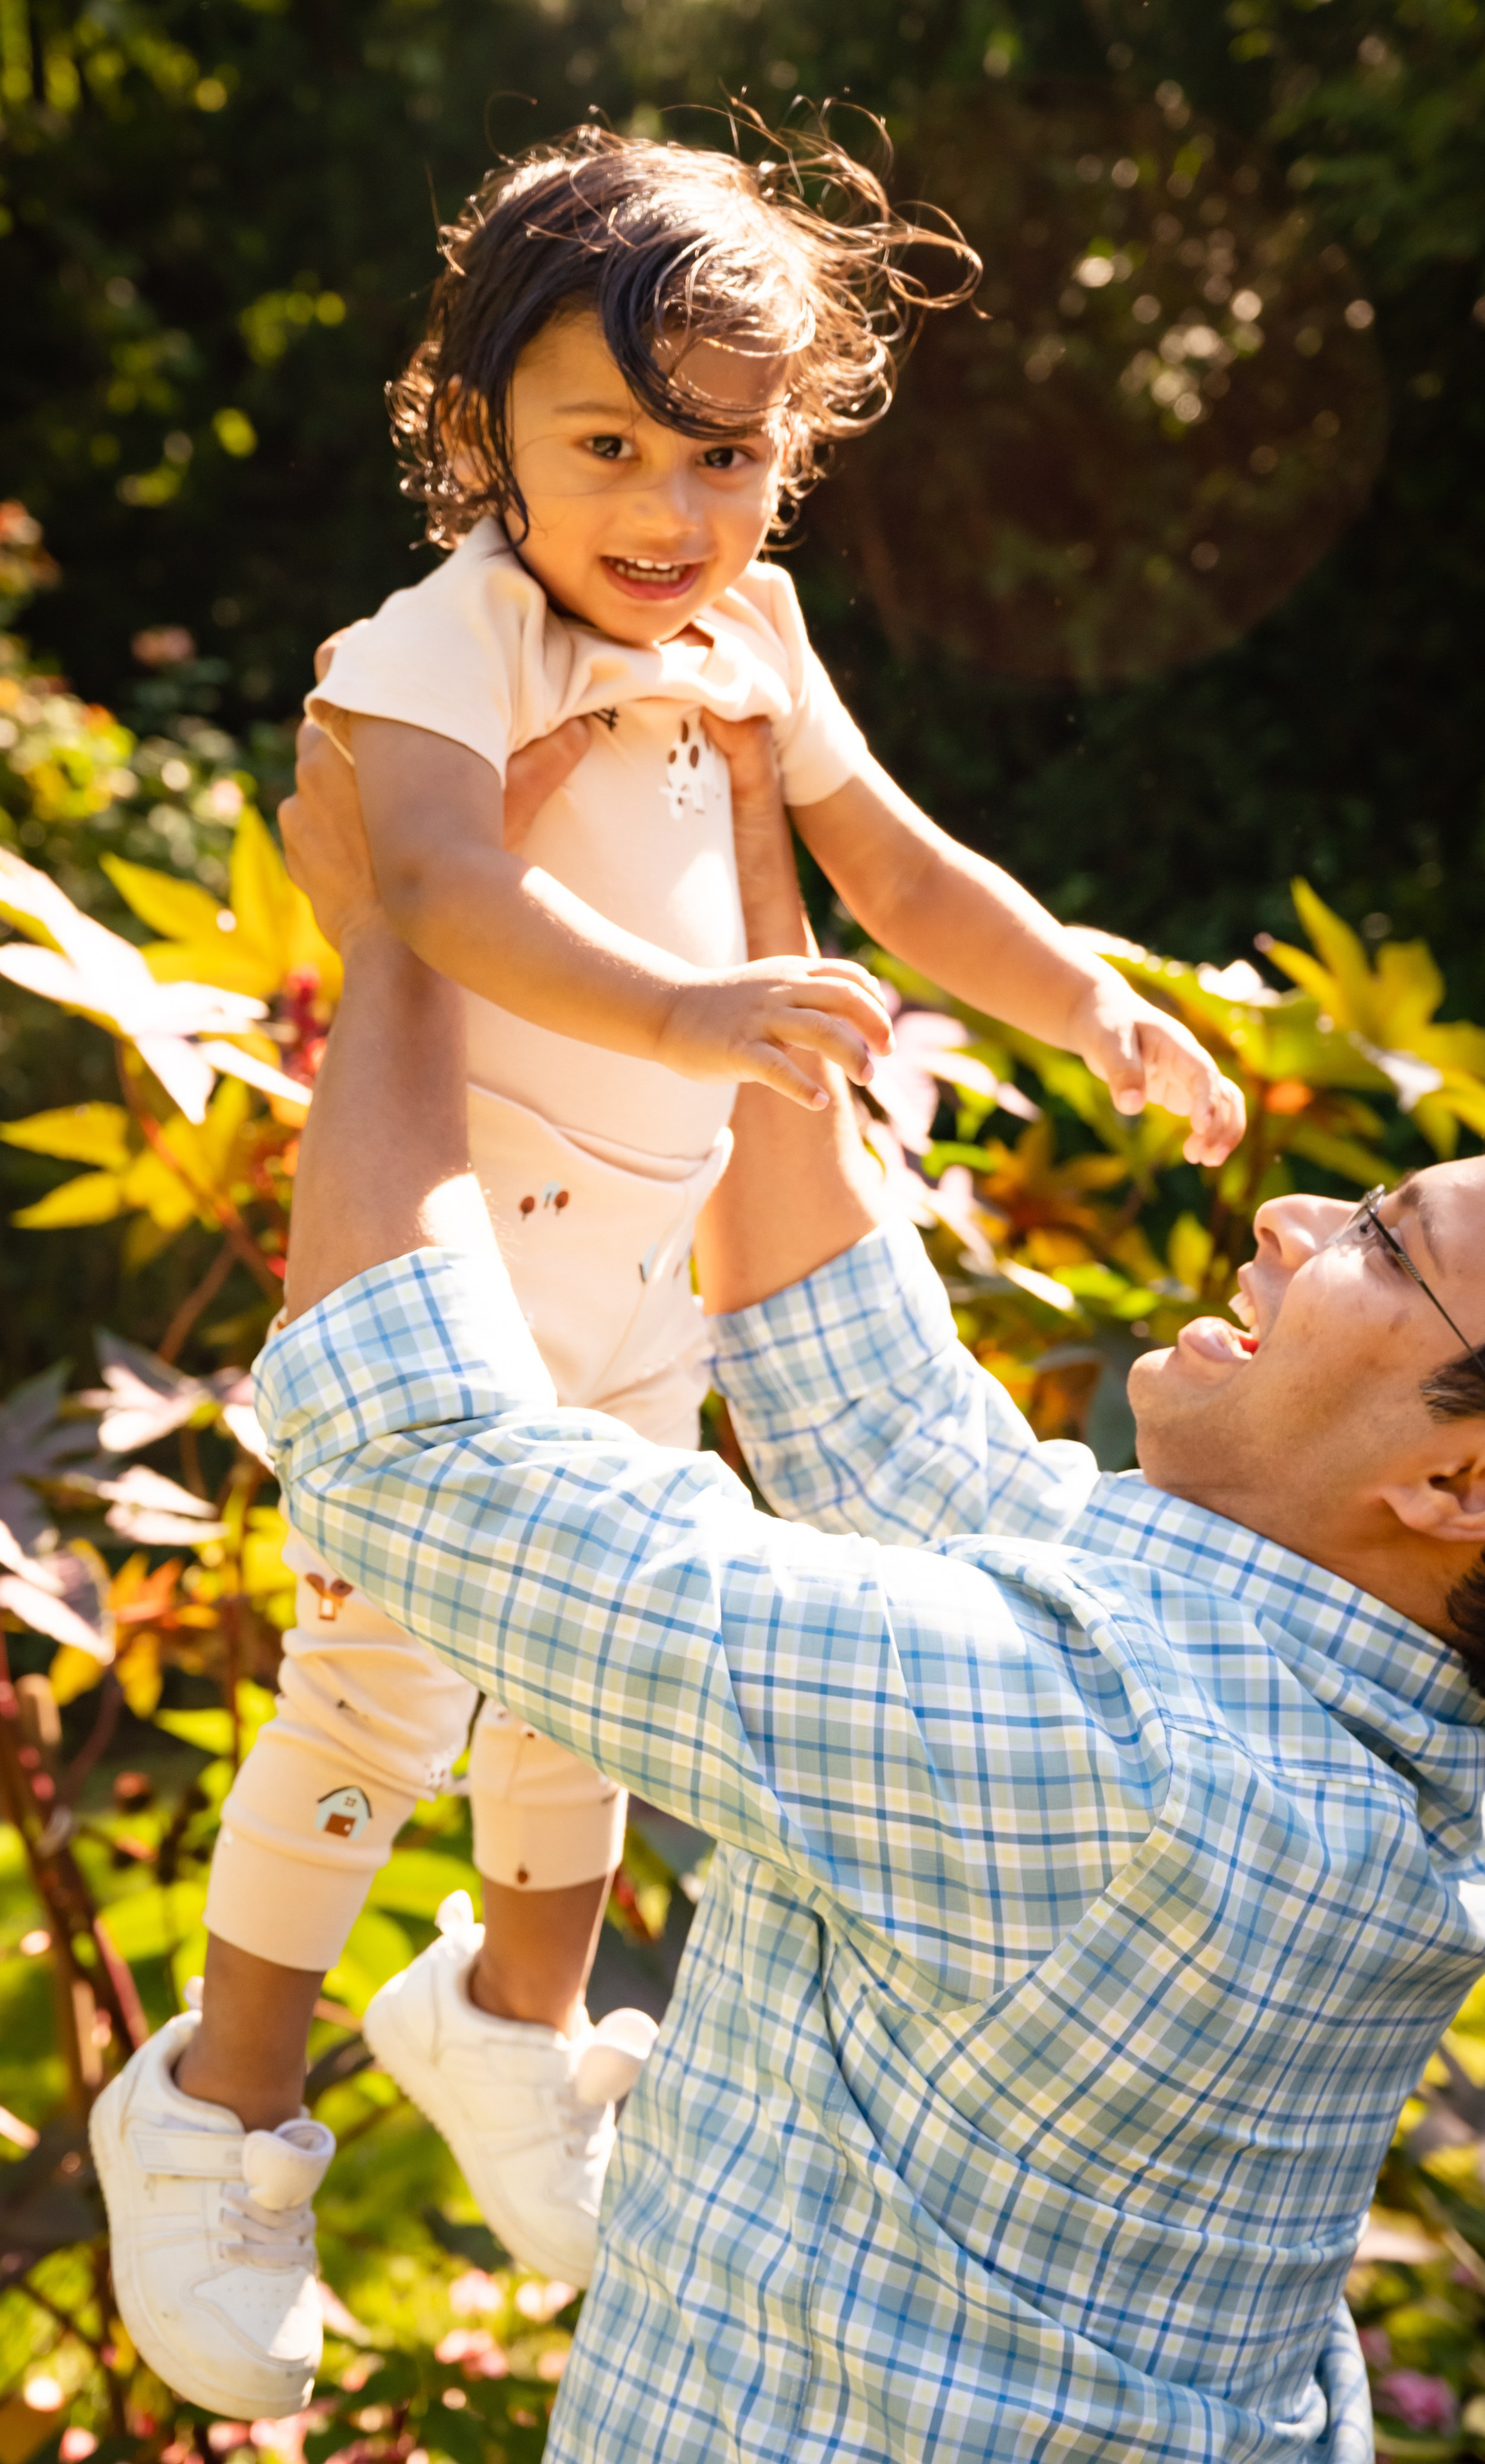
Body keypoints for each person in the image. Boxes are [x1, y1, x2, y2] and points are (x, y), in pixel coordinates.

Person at [111, 712, 1485, 2460]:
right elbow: (890, 1423)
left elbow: (424, 1458)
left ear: (1468, 1483)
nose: (1293, 1218)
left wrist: (407, 923)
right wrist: (740, 784)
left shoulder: (1108, 1761)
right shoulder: (1447, 1750)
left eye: (1383, 1245)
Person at [89, 116, 1247, 2423]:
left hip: (632, 1288)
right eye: (606, 442)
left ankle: (513, 2028)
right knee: (374, 1703)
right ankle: (217, 2102)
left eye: (724, 452)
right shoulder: (441, 643)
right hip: (448, 1272)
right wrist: (695, 1007)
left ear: (788, 456)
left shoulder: (757, 634)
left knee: (588, 1691)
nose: (668, 505)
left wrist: (1085, 1001)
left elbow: (898, 864)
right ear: (482, 430)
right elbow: (441, 890)